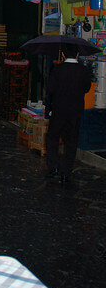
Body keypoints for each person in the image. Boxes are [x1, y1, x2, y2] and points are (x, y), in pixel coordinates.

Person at [46, 44, 92, 184]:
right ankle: (66, 173)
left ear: (63, 55)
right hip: (75, 111)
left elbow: (50, 89)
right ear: (77, 55)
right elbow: (86, 88)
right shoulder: (84, 71)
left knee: (52, 137)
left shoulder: (57, 70)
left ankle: (53, 167)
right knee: (71, 142)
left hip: (59, 110)